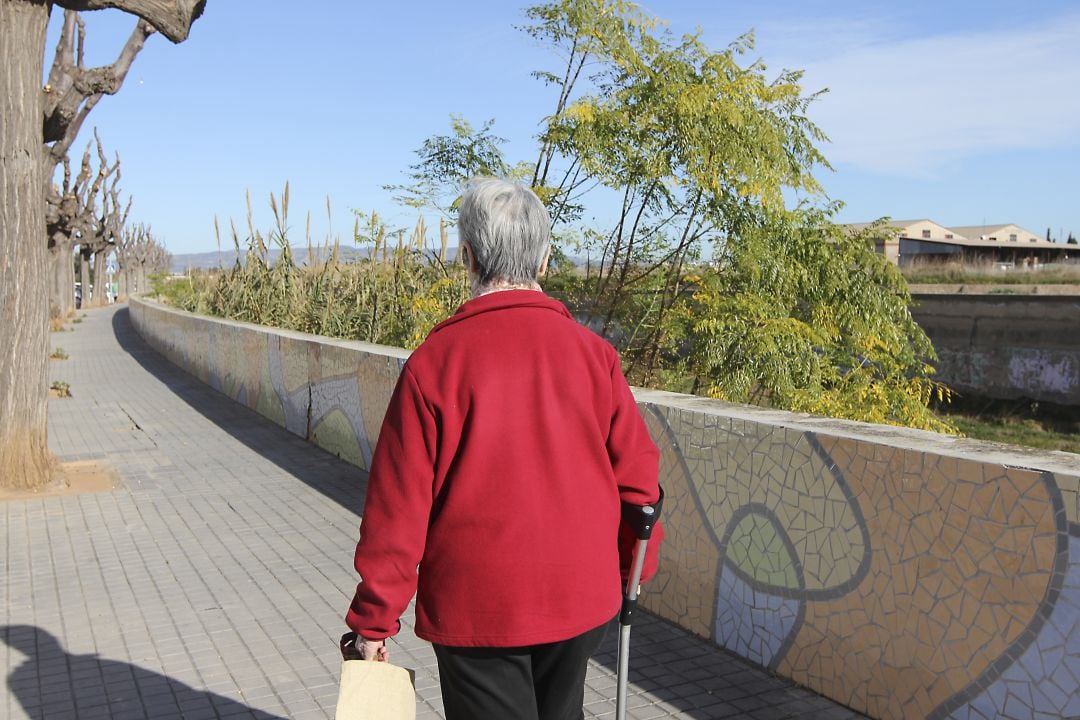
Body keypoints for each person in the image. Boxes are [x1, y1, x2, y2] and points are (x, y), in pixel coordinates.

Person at [344, 177, 663, 720]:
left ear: (466, 256)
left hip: (478, 611)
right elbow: (640, 487)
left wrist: (374, 623)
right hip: (580, 599)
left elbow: (397, 513)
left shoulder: (434, 364)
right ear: (543, 261)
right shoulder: (595, 357)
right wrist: (630, 571)